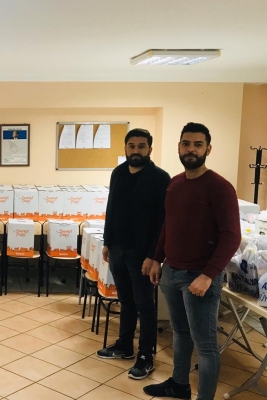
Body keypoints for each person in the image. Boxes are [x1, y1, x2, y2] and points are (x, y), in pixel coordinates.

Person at [144, 123, 241, 400]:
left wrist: (208, 275)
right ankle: (179, 384)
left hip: (199, 276)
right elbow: (168, 225)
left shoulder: (220, 187)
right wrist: (157, 258)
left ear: (208, 149)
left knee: (206, 345)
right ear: (179, 147)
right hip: (171, 272)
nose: (191, 149)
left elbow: (231, 236)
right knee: (180, 332)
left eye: (198, 144)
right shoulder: (175, 183)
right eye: (186, 143)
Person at [97, 128, 170, 380]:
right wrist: (107, 242)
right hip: (117, 248)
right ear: (125, 148)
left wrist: (154, 256)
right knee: (125, 300)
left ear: (150, 149)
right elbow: (111, 209)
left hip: (142, 254)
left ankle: (146, 356)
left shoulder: (160, 178)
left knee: (145, 305)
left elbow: (163, 221)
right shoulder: (118, 173)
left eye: (141, 146)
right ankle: (125, 345)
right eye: (132, 146)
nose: (136, 150)